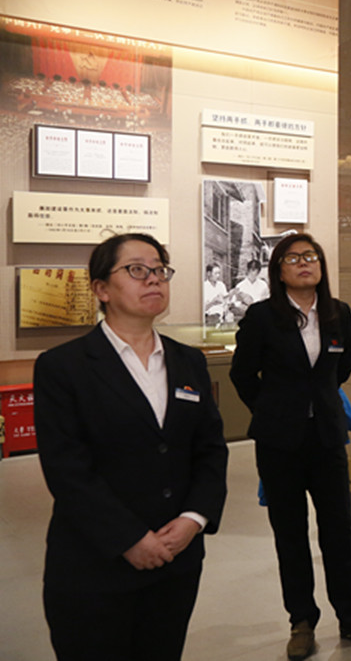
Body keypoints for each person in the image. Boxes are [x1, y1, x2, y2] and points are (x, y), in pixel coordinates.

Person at [34, 233, 228, 661]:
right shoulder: (63, 367)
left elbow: (210, 449)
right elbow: (67, 470)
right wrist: (129, 539)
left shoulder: (188, 361)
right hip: (95, 565)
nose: (153, 279)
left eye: (159, 269)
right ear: (101, 289)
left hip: (176, 560)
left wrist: (194, 519)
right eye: (137, 270)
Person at [229, 233, 351, 660]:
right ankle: (302, 621)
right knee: (290, 533)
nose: (304, 263)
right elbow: (242, 374)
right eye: (293, 258)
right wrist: (271, 410)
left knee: (339, 530)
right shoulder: (262, 316)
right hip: (279, 442)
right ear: (279, 270)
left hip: (327, 438)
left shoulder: (338, 314)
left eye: (310, 256)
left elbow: (342, 366)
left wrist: (320, 402)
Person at [203, 261, 229, 326]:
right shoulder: (204, 287)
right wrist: (213, 302)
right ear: (209, 273)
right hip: (210, 314)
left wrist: (226, 309)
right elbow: (202, 308)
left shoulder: (221, 285)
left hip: (223, 312)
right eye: (216, 273)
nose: (218, 276)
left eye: (219, 273)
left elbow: (226, 301)